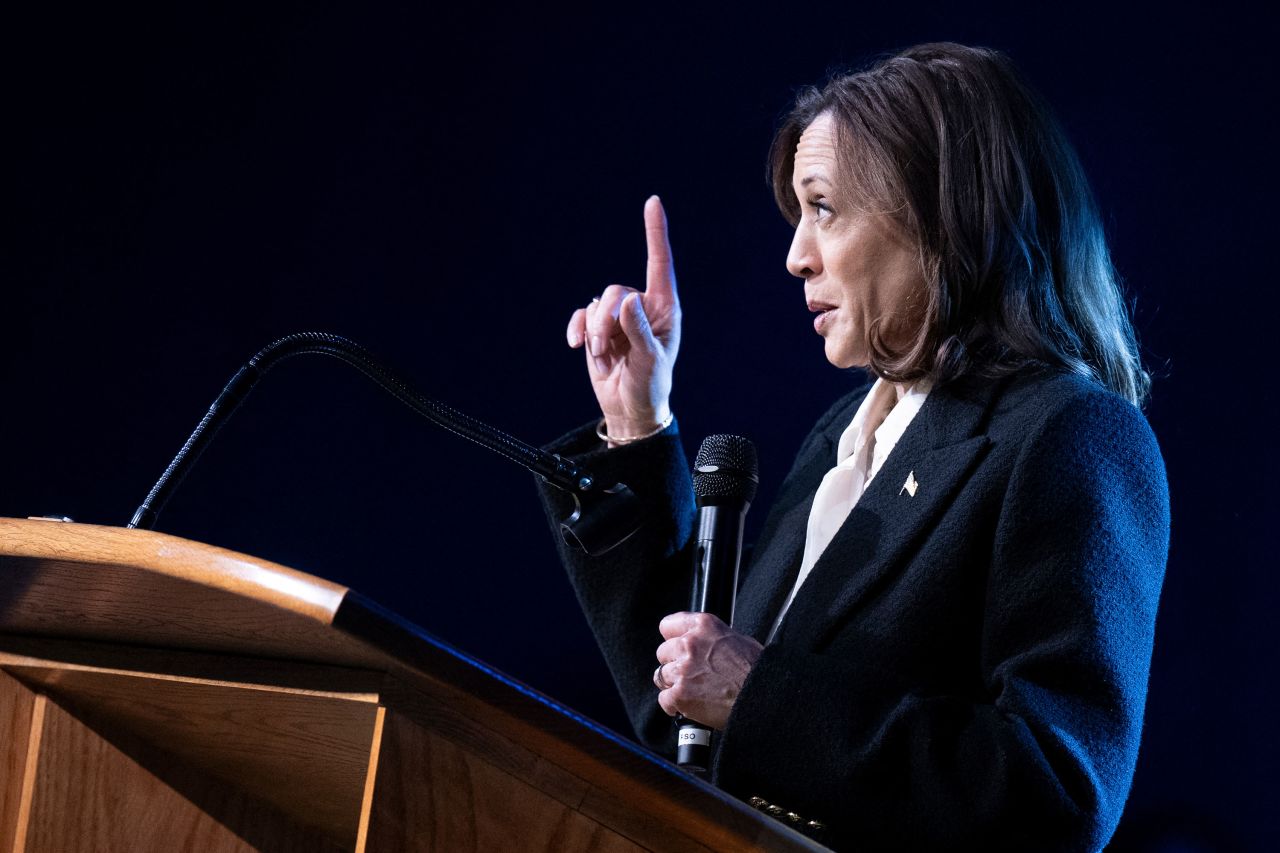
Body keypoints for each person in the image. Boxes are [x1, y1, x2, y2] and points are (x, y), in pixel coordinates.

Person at [537, 42, 1169, 852]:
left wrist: (758, 694)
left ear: (941, 214)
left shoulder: (1072, 435)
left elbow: (1054, 792)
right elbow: (691, 727)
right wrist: (636, 423)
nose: (796, 254)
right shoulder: (845, 432)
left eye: (824, 208)